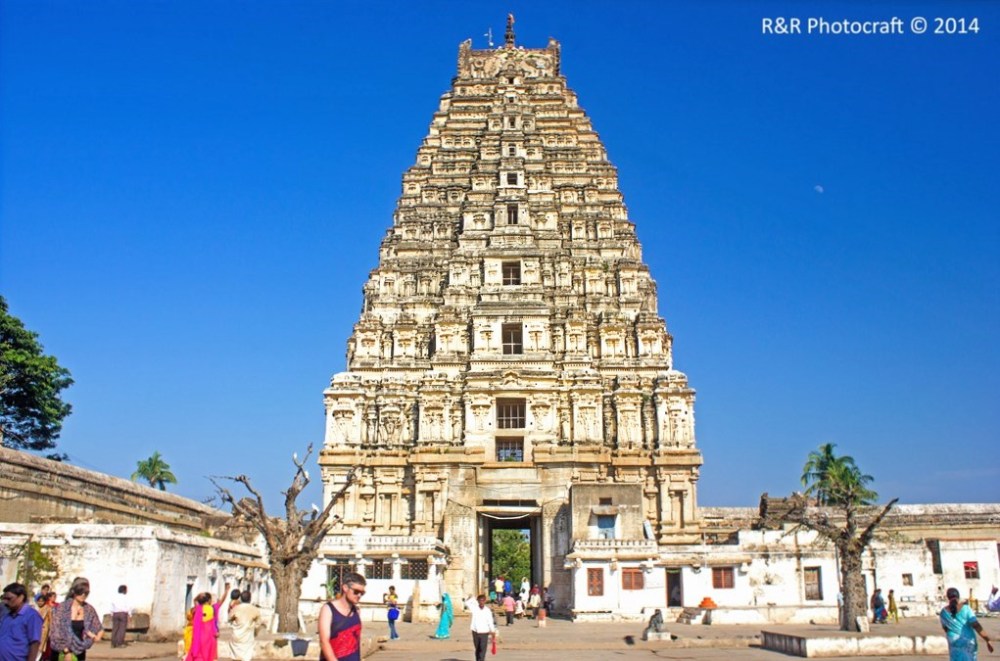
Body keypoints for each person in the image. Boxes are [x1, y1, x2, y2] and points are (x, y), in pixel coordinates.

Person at [49, 578, 103, 661]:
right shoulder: (62, 608)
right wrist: (66, 651)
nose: (83, 595)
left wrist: (94, 635)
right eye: (80, 591)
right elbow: (55, 631)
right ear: (74, 591)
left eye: (86, 593)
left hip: (79, 652)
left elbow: (98, 628)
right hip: (61, 652)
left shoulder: (89, 609)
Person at [318, 571, 365, 661]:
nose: (359, 595)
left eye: (362, 593)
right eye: (356, 591)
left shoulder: (357, 611)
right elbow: (324, 641)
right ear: (345, 588)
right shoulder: (328, 609)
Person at [940, 587, 992, 661]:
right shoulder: (966, 608)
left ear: (948, 597)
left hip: (953, 642)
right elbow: (976, 625)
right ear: (958, 596)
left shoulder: (943, 612)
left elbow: (946, 629)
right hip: (968, 641)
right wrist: (987, 639)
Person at [1, 583, 43, 661]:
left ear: (21, 597)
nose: (5, 602)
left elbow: (35, 643)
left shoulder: (32, 616)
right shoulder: (7, 616)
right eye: (3, 599)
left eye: (9, 599)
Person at [227, 591, 261, 661]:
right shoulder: (255, 609)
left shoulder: (236, 609)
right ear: (250, 599)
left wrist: (234, 624)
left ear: (241, 598)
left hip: (236, 636)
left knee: (235, 657)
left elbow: (229, 619)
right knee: (246, 657)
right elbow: (258, 623)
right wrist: (252, 627)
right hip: (248, 637)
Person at [184, 592, 217, 661]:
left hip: (194, 635)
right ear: (208, 601)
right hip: (206, 637)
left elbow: (188, 616)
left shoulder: (194, 610)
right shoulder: (210, 609)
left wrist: (198, 597)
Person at [469, 595, 496, 661]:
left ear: (485, 601)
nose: (481, 602)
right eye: (480, 601)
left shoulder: (487, 611)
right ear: (477, 601)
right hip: (475, 631)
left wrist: (493, 630)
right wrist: (471, 597)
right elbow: (468, 603)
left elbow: (490, 621)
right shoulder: (474, 608)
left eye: (483, 600)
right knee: (477, 648)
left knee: (482, 648)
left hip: (484, 632)